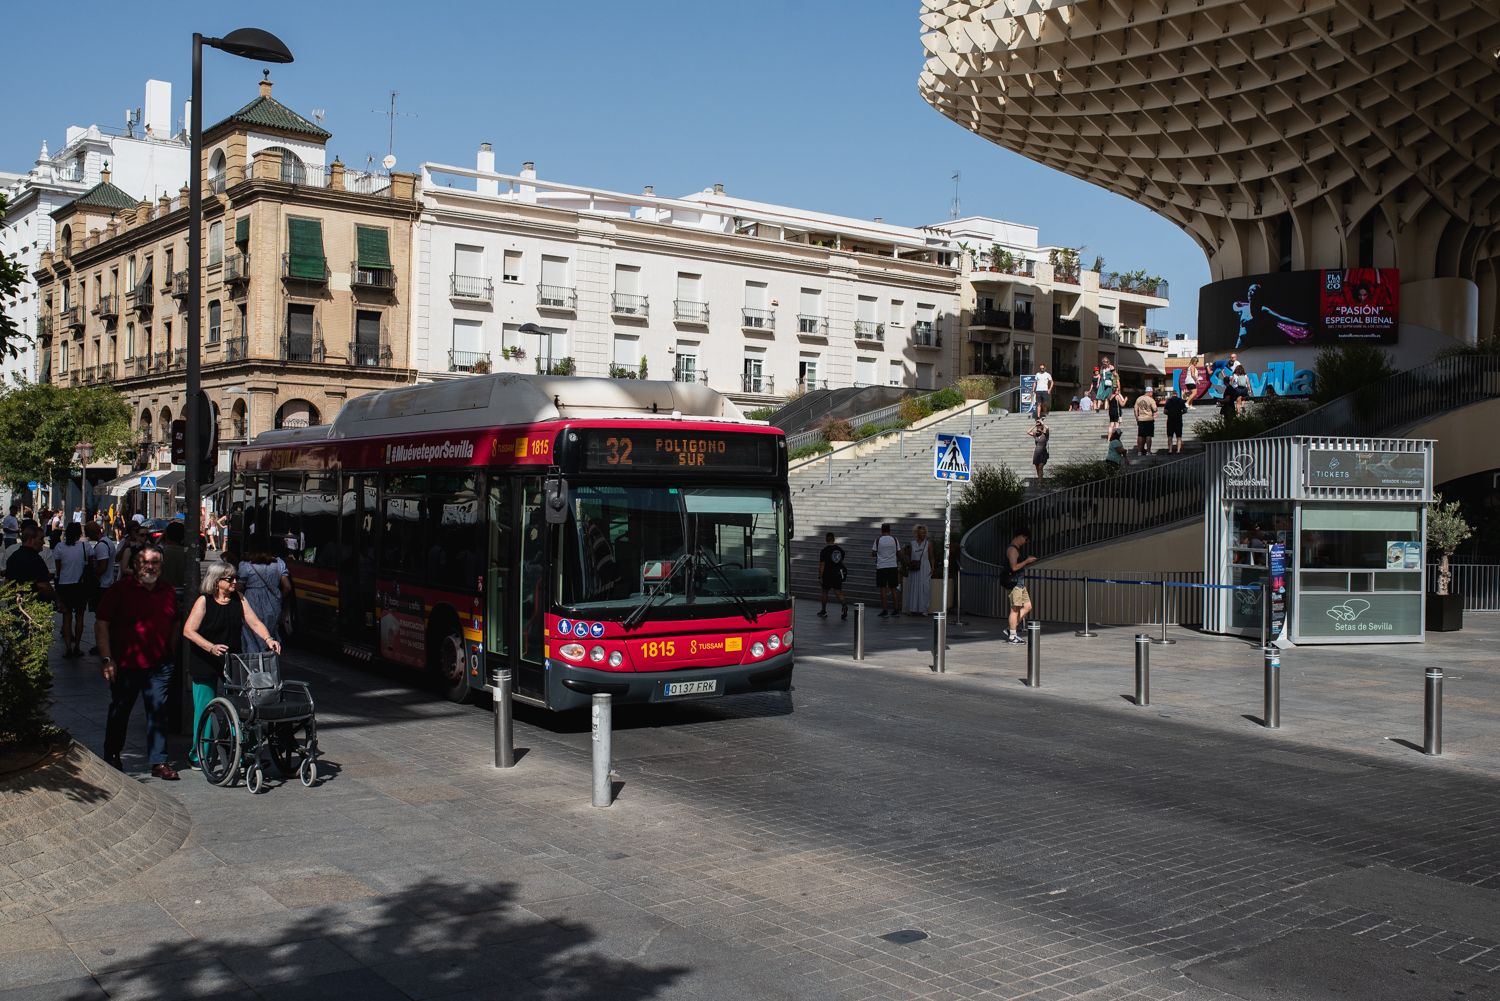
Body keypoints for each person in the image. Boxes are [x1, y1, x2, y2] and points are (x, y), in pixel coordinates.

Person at [182, 561, 281, 769]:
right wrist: (210, 647)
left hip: (232, 660)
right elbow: (189, 630)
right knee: (205, 708)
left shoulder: (238, 598)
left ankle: (243, 752)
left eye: (235, 578)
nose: (235, 582)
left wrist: (268, 638)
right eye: (230, 579)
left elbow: (253, 621)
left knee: (243, 707)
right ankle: (200, 754)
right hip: (205, 659)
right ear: (217, 582)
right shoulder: (204, 601)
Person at [95, 544, 180, 779]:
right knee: (121, 711)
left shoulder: (168, 591)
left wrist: (171, 650)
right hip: (125, 664)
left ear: (161, 566)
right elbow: (102, 623)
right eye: (145, 562)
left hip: (159, 664)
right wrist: (107, 659)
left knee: (158, 712)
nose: (150, 567)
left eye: (155, 562)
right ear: (134, 565)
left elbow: (174, 621)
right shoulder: (119, 590)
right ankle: (112, 753)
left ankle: (159, 761)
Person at [238, 538, 292, 652]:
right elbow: (287, 587)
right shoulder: (279, 563)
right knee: (269, 634)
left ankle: (253, 663)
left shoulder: (246, 565)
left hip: (252, 601)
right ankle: (268, 661)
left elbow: (239, 587)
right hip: (273, 603)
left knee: (251, 634)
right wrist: (279, 597)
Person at [54, 522, 90, 658]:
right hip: (80, 585)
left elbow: (58, 568)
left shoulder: (59, 547)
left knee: (66, 617)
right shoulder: (85, 546)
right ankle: (78, 646)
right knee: (80, 616)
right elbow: (90, 564)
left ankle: (68, 647)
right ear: (79, 534)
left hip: (64, 585)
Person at [84, 522, 116, 655]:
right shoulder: (108, 542)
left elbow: (102, 567)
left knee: (101, 619)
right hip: (107, 584)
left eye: (88, 533)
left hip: (102, 586)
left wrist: (94, 574)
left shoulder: (102, 546)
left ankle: (101, 645)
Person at [4, 524, 56, 601]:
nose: (43, 542)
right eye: (41, 539)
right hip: (32, 605)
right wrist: (57, 600)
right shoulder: (35, 559)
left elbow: (7, 582)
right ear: (31, 540)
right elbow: (43, 586)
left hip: (16, 603)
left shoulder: (13, 556)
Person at [1004, 527, 1037, 644]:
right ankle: (1012, 635)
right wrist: (1027, 561)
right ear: (1020, 536)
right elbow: (1014, 567)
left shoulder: (1016, 549)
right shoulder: (1013, 550)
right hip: (1015, 583)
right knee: (1015, 609)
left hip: (1019, 583)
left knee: (1027, 606)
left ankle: (1010, 628)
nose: (1026, 542)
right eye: (1026, 539)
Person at [903, 524, 935, 616]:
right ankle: (913, 608)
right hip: (914, 567)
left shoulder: (928, 544)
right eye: (921, 533)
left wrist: (932, 567)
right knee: (914, 587)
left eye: (924, 533)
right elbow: (907, 556)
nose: (923, 535)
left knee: (925, 588)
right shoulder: (912, 543)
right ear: (917, 533)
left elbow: (932, 556)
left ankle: (924, 608)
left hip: (925, 567)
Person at [870, 523, 901, 618]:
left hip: (881, 567)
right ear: (890, 530)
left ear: (882, 530)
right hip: (892, 566)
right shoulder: (895, 540)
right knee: (893, 589)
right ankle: (896, 610)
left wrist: (880, 554)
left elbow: (873, 553)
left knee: (882, 589)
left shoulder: (878, 540)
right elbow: (899, 553)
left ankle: (885, 610)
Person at [816, 532, 849, 620]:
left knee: (825, 592)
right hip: (837, 574)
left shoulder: (824, 551)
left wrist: (820, 576)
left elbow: (822, 565)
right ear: (834, 539)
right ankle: (844, 605)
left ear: (826, 540)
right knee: (838, 591)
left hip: (827, 574)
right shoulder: (840, 550)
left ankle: (823, 610)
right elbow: (840, 561)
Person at [1134, 389, 1158, 456]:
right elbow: (1155, 409)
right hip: (1149, 419)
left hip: (1141, 419)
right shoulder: (1151, 399)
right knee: (1148, 435)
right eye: (1152, 392)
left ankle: (1139, 451)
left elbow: (1135, 410)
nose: (1152, 394)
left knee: (1140, 435)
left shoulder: (1138, 399)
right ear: (1149, 392)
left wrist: (1137, 418)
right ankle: (1148, 451)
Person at [1163, 387, 1187, 454]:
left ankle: (1170, 450)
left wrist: (1169, 414)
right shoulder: (1181, 400)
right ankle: (1178, 450)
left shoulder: (1168, 401)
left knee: (1170, 436)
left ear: (1171, 394)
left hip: (1170, 420)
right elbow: (1185, 410)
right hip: (1178, 420)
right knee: (1179, 436)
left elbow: (1165, 411)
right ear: (1177, 394)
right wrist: (1180, 413)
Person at [1028, 417, 1050, 487]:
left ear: (1042, 427)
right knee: (1037, 468)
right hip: (1036, 453)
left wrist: (1041, 422)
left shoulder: (1045, 435)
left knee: (1040, 467)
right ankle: (1040, 479)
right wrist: (1035, 425)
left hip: (1043, 452)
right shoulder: (1035, 435)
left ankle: (1040, 483)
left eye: (1039, 426)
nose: (1038, 428)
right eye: (1037, 427)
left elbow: (1047, 428)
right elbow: (1028, 432)